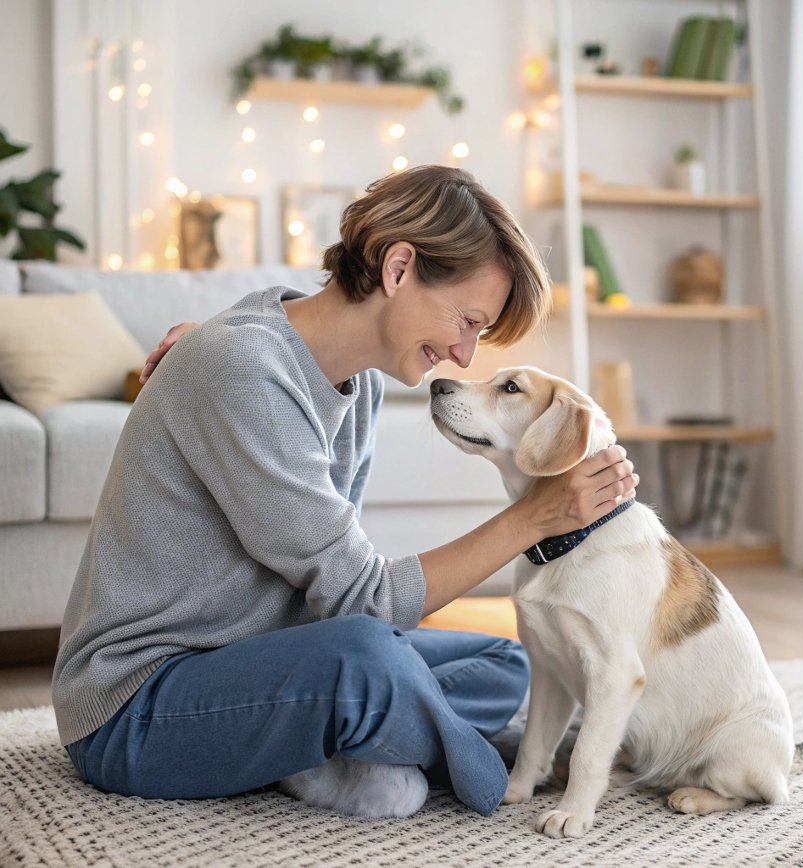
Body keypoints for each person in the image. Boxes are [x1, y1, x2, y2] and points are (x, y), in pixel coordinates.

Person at [52, 165, 637, 818]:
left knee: (500, 662)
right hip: (139, 707)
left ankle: (330, 740)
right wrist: (534, 517)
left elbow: (341, 599)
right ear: (398, 268)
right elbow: (366, 602)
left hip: (262, 661)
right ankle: (469, 764)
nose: (465, 355)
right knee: (366, 662)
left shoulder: (356, 381)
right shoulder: (241, 366)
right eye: (467, 320)